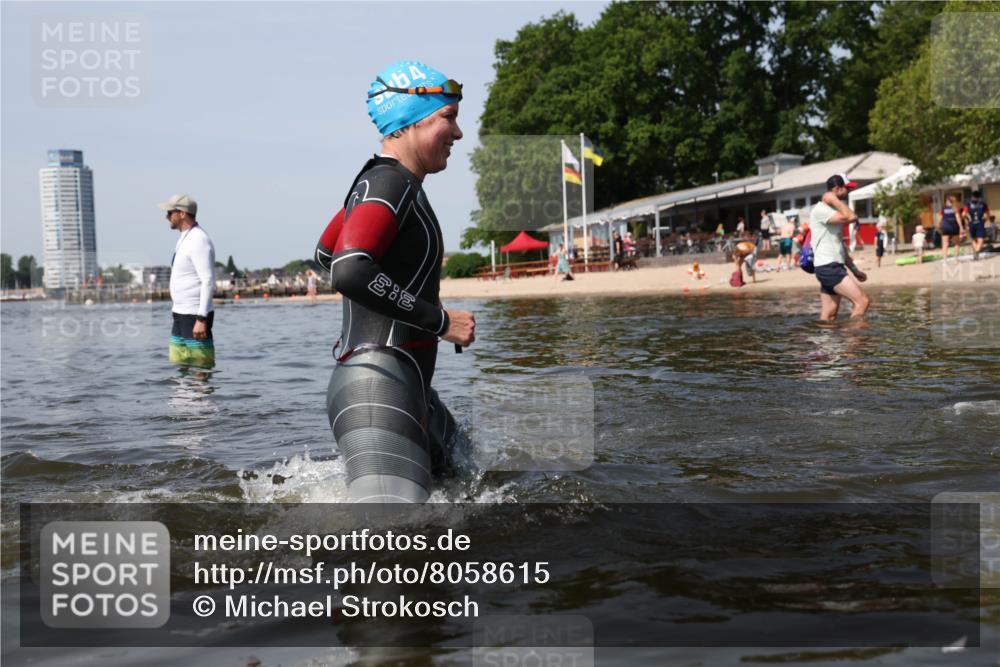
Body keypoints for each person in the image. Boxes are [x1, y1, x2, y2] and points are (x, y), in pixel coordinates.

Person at [313, 60, 475, 503]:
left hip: (403, 386)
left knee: (469, 477)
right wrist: (440, 322)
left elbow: (327, 254)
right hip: (378, 386)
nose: (458, 133)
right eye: (449, 117)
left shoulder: (383, 184)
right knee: (391, 546)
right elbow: (349, 269)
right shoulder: (390, 184)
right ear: (410, 121)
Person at [158, 194, 216, 369]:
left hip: (194, 315)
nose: (166, 216)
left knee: (200, 368)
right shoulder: (185, 238)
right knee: (181, 365)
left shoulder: (199, 240)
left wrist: (201, 318)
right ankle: (182, 398)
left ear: (182, 213)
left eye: (170, 212)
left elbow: (207, 280)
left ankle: (202, 397)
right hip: (180, 313)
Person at [810, 174, 871, 321]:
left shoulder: (833, 213)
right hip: (828, 267)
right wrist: (833, 199)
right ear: (837, 189)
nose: (848, 192)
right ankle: (853, 340)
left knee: (829, 315)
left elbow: (840, 247)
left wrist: (854, 270)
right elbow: (851, 217)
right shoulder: (821, 210)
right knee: (862, 301)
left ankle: (825, 343)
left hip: (831, 266)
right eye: (846, 188)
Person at [963, 190, 991, 260]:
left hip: (972, 223)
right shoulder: (983, 204)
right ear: (979, 197)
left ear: (972, 197)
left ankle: (976, 251)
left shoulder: (968, 204)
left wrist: (968, 219)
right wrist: (986, 219)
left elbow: (963, 214)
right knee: (980, 238)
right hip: (980, 222)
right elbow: (988, 214)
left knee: (973, 239)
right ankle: (977, 251)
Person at [939, 195, 965, 260]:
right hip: (954, 227)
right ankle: (956, 258)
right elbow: (958, 218)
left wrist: (939, 226)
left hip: (945, 226)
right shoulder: (955, 209)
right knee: (956, 243)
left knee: (945, 244)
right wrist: (961, 227)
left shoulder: (943, 209)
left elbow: (940, 218)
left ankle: (945, 259)